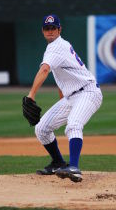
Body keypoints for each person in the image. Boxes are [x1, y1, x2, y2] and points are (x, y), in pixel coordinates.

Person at [27, 14, 103, 182]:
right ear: (42, 31)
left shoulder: (57, 46)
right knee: (41, 128)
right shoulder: (56, 47)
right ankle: (58, 162)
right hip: (72, 96)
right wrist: (62, 99)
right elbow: (62, 76)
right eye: (47, 28)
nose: (50, 31)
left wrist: (31, 95)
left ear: (59, 29)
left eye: (53, 28)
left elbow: (45, 70)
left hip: (88, 92)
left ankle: (74, 167)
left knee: (74, 124)